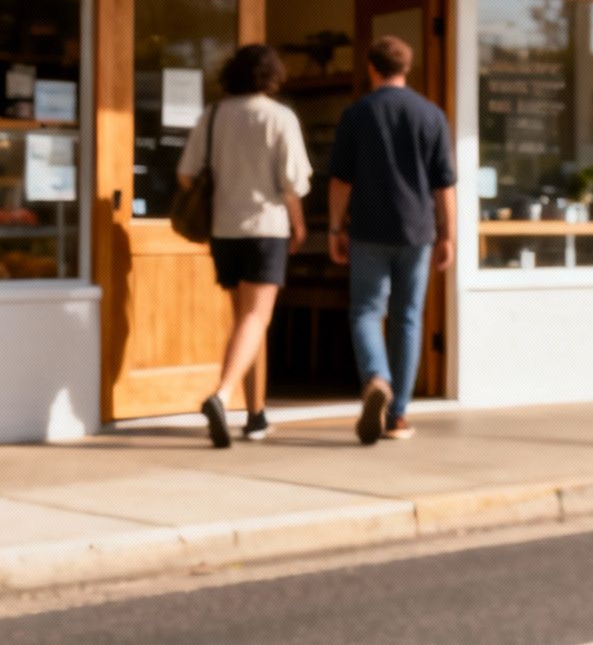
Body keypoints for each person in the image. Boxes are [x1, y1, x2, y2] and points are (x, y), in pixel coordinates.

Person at [178, 44, 311, 448]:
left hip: (224, 230)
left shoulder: (214, 114)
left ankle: (256, 414)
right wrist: (299, 225)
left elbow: (186, 175)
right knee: (256, 319)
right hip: (265, 229)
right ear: (272, 76)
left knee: (247, 322)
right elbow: (294, 184)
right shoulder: (279, 117)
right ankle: (221, 395)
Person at [328, 35, 456, 445]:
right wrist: (448, 233)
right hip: (417, 231)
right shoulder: (431, 115)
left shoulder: (357, 114)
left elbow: (340, 180)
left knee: (366, 311)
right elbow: (444, 185)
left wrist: (335, 227)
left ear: (371, 67)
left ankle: (376, 378)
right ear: (407, 67)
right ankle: (397, 413)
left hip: (368, 228)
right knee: (408, 318)